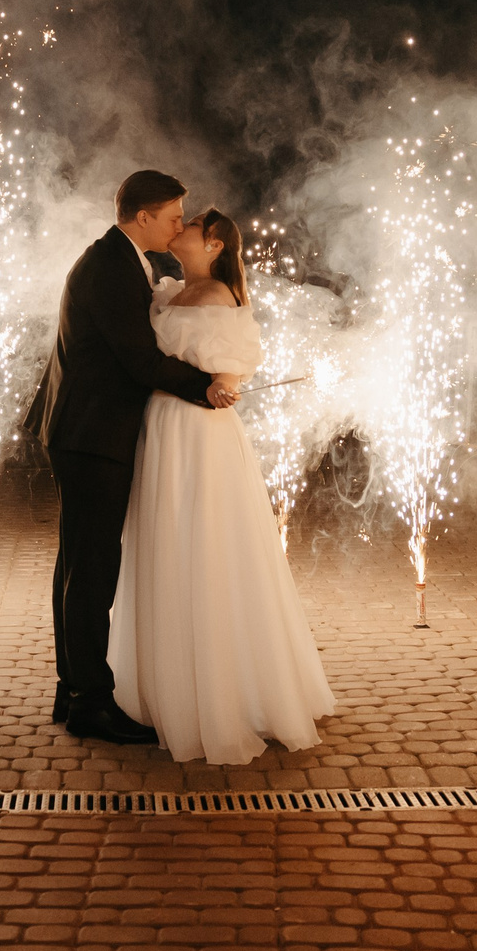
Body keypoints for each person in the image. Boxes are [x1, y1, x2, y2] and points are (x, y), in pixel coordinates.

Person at [108, 207, 335, 764]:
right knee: (165, 544)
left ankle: (217, 694)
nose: (178, 228)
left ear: (212, 244)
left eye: (189, 224)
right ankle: (164, 689)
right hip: (160, 427)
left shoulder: (218, 299)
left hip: (197, 433)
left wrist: (223, 385)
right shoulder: (170, 292)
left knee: (203, 542)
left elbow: (233, 367)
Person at [25, 170, 237, 747]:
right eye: (172, 215)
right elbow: (140, 360)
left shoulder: (115, 259)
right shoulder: (111, 266)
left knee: (77, 563)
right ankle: (91, 701)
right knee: (92, 568)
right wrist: (206, 387)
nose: (178, 225)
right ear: (142, 216)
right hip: (94, 433)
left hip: (81, 430)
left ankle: (73, 689)